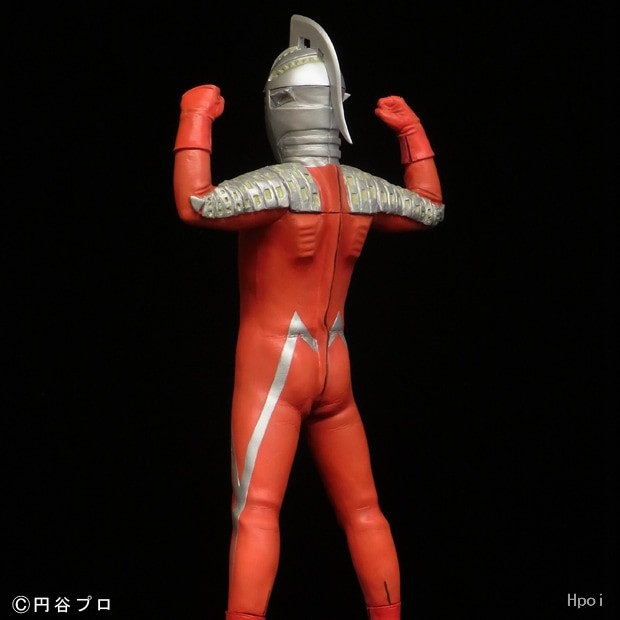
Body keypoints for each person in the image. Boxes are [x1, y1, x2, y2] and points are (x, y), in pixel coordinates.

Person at [173, 14, 444, 620]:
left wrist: (195, 118)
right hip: (333, 359)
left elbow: (196, 204)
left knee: (256, 513)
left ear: (279, 107)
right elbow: (430, 206)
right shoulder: (360, 189)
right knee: (364, 510)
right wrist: (412, 133)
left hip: (274, 363)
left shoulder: (279, 187)